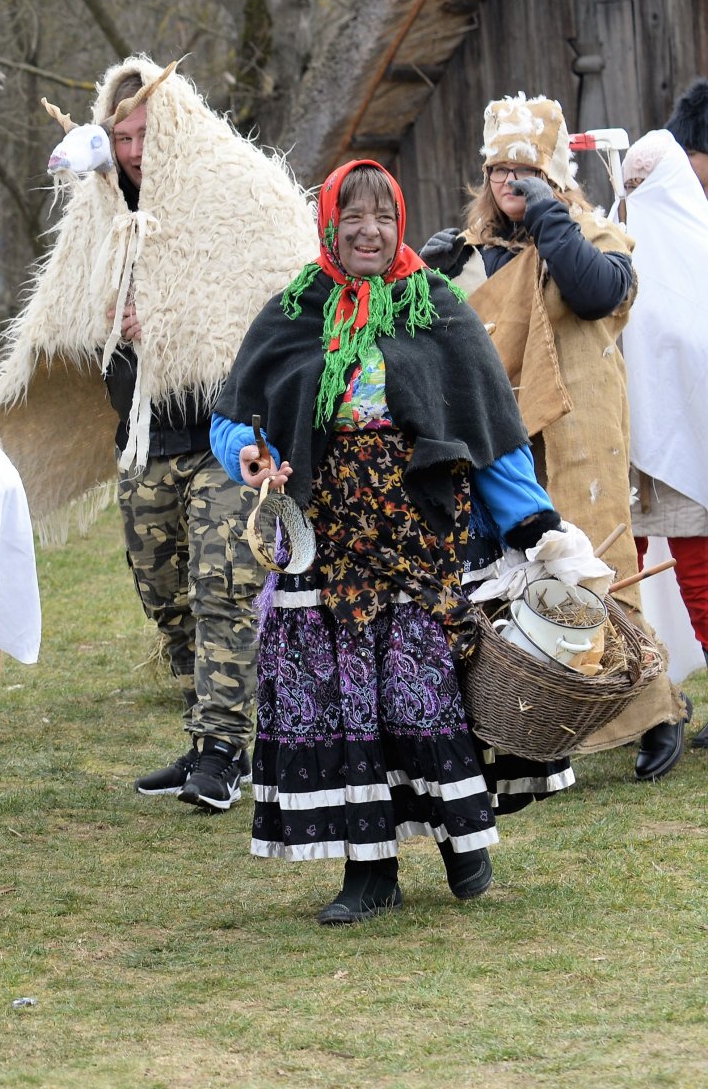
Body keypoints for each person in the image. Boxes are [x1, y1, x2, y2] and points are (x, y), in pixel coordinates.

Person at [214, 159, 574, 924]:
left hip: (419, 530)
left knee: (422, 691)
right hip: (327, 533)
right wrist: (244, 455)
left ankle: (461, 843)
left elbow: (489, 426)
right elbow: (235, 410)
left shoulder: (434, 304)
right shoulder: (295, 308)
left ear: (399, 223)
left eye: (382, 217)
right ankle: (369, 870)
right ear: (330, 227)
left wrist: (536, 521)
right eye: (353, 218)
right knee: (346, 704)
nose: (369, 231)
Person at [0, 58, 316, 811]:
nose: (131, 149)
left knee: (223, 583)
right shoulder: (101, 202)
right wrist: (108, 318)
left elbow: (277, 298)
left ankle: (226, 754)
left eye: (141, 133)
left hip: (231, 431)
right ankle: (211, 736)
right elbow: (75, 297)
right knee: (164, 590)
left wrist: (164, 318)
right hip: (147, 430)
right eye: (120, 135)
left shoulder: (241, 187)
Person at [422, 93, 689, 779]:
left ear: (552, 173)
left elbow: (599, 293)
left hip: (579, 433)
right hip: (498, 438)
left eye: (524, 169)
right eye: (498, 171)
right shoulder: (472, 254)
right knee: (507, 582)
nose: (508, 182)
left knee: (598, 572)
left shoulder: (592, 233)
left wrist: (549, 215)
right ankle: (525, 726)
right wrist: (430, 276)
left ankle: (653, 712)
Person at [618, 127, 708, 743]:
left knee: (698, 574)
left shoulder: (696, 254)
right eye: (629, 184)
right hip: (630, 451)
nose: (635, 195)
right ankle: (649, 703)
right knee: (625, 573)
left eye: (646, 183)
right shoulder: (617, 248)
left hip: (690, 447)